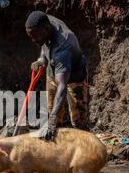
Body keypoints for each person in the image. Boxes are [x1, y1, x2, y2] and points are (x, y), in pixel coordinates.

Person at [25, 11, 89, 140]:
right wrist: (42, 59)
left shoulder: (63, 47)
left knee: (78, 120)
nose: (33, 40)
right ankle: (57, 145)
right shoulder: (46, 21)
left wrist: (52, 120)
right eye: (31, 37)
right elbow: (44, 42)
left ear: (46, 28)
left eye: (35, 36)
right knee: (53, 112)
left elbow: (62, 86)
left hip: (73, 79)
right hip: (54, 72)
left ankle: (82, 147)